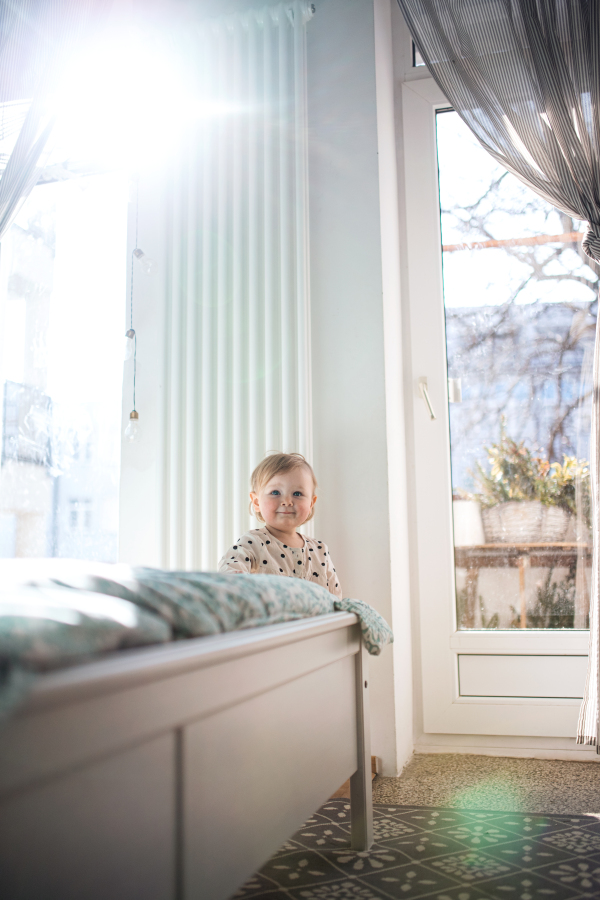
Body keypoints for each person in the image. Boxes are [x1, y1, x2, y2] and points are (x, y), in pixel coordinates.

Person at [218, 452, 342, 598]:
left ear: (311, 503)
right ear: (257, 502)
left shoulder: (320, 551)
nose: (287, 501)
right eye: (275, 492)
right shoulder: (252, 542)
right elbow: (229, 575)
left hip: (314, 621)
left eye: (297, 493)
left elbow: (337, 600)